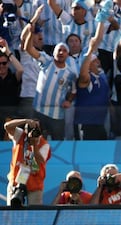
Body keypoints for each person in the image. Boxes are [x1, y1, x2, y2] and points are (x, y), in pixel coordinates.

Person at [25, 9, 78, 140]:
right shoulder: (46, 61)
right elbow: (28, 49)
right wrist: (30, 34)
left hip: (57, 115)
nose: (61, 52)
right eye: (59, 50)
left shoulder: (70, 73)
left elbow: (74, 90)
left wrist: (69, 100)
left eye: (64, 50)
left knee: (57, 144)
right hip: (38, 111)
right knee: (34, 143)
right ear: (54, 52)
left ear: (67, 54)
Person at [74, 22, 110, 140]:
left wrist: (102, 20)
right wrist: (89, 52)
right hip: (85, 124)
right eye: (94, 61)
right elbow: (83, 72)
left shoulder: (101, 75)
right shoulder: (86, 78)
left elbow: (97, 40)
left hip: (101, 123)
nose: (98, 62)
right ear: (88, 64)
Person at [4, 118, 51, 206]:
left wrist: (34, 145)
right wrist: (25, 121)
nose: (32, 130)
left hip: (34, 182)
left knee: (34, 213)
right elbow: (7, 126)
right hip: (16, 181)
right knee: (12, 211)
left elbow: (40, 161)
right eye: (30, 127)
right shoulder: (20, 136)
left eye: (36, 127)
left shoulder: (44, 144)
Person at [0, 38, 24, 140]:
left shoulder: (13, 78)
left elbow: (20, 69)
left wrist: (8, 52)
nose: (1, 66)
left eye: (4, 63)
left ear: (8, 63)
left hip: (11, 117)